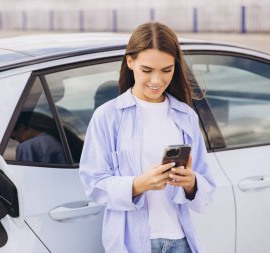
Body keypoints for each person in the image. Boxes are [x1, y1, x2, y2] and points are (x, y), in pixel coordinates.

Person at [79, 22, 215, 253]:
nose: (157, 80)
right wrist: (138, 184)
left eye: (166, 70)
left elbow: (206, 182)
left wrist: (191, 183)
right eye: (147, 70)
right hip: (132, 243)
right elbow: (93, 184)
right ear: (130, 62)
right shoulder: (108, 116)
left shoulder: (185, 116)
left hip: (180, 239)